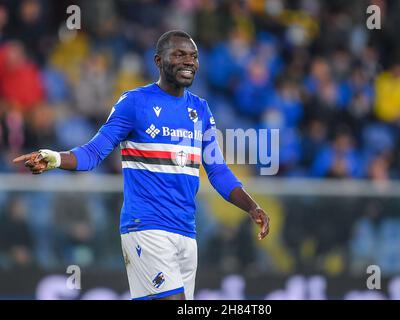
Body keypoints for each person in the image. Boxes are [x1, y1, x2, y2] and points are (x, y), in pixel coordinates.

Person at [13, 30, 270, 300]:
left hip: (186, 230)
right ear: (159, 61)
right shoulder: (135, 103)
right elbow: (93, 152)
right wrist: (54, 158)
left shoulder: (201, 110)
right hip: (146, 227)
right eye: (179, 54)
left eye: (193, 56)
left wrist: (251, 206)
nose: (189, 62)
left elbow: (217, 171)